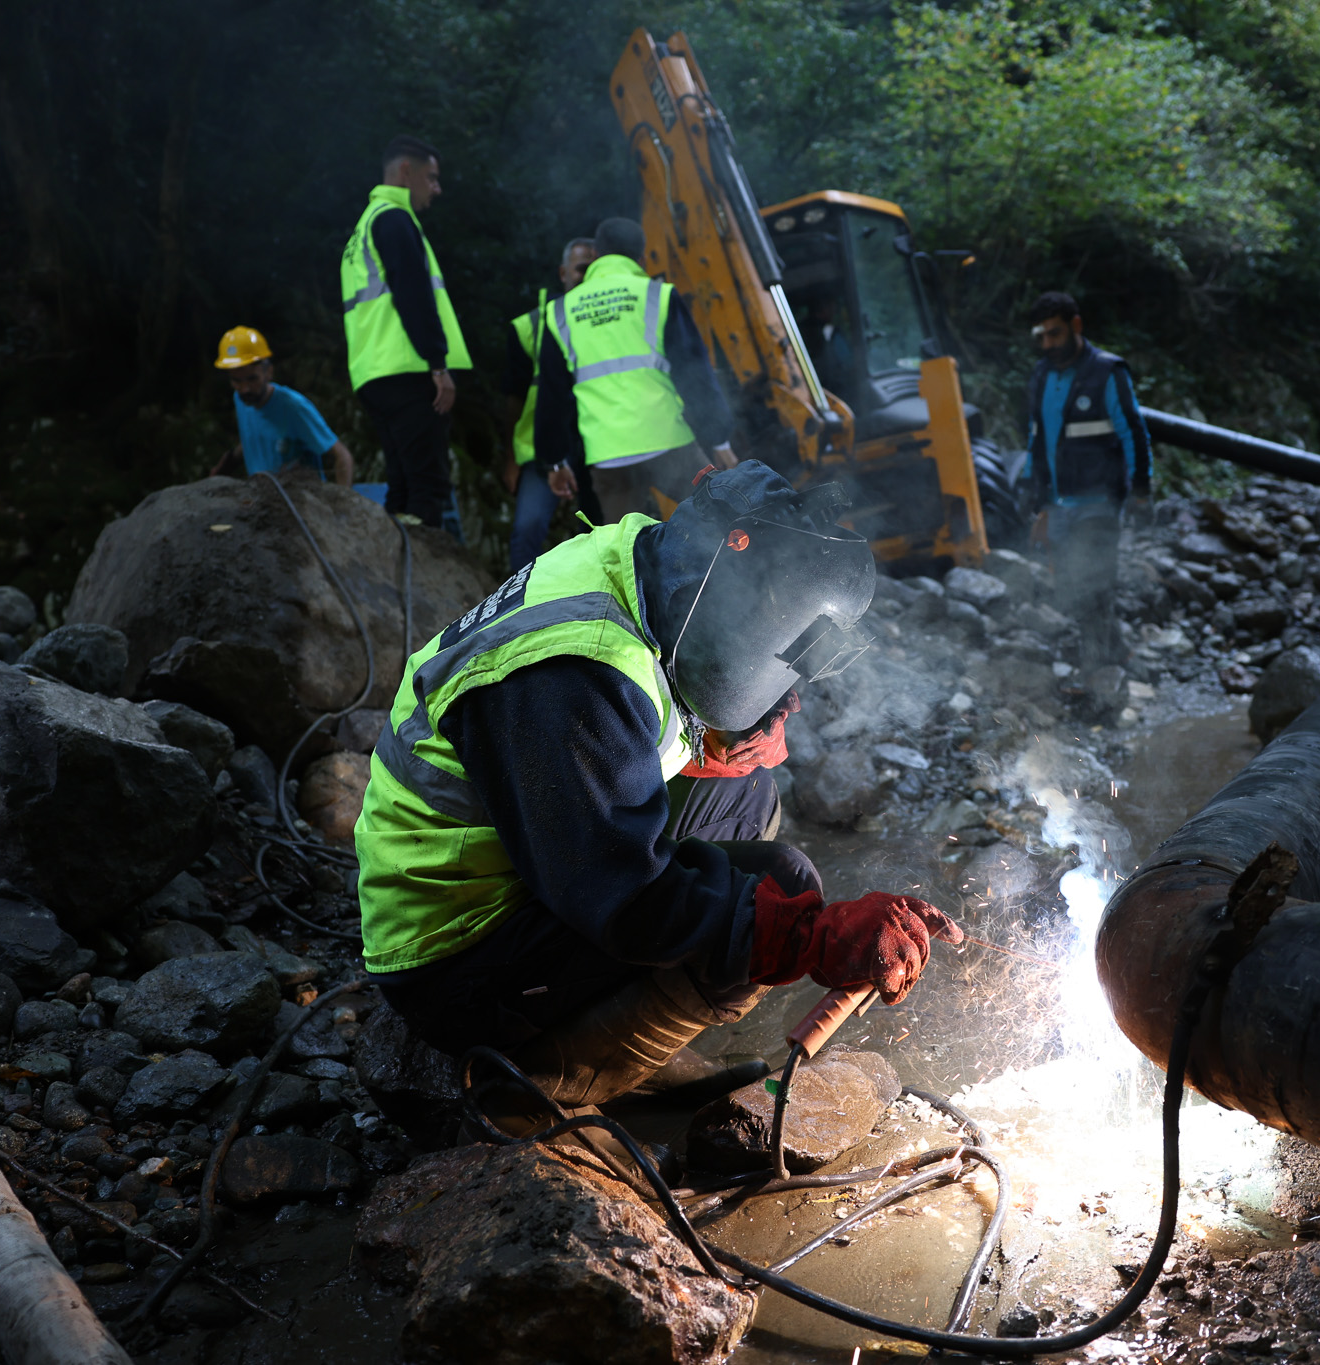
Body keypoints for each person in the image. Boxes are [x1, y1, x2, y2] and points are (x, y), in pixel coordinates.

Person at [355, 462, 961, 1130]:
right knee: (777, 891)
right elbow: (629, 894)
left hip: (526, 852)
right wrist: (810, 937)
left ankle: (624, 1034)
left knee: (747, 796)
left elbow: (640, 714)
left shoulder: (656, 561)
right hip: (452, 949)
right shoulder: (572, 671)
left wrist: (749, 724)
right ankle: (532, 1086)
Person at [532, 217, 737, 524]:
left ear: (597, 257)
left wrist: (555, 460)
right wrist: (719, 440)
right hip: (668, 443)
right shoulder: (658, 295)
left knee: (625, 551)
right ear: (641, 259)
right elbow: (694, 374)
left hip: (608, 456)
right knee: (723, 523)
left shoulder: (559, 312)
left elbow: (551, 396)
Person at [341, 134, 473, 530]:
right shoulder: (394, 220)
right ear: (405, 172)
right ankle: (423, 582)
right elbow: (414, 296)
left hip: (374, 374)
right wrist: (437, 364)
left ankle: (396, 577)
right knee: (426, 487)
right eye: (431, 178)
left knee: (400, 486)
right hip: (408, 371)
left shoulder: (364, 226)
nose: (437, 189)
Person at [1023, 291, 1153, 661]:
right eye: (1042, 336)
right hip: (1058, 505)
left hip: (1099, 502)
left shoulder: (1107, 373)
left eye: (1055, 334)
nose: (1048, 344)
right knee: (1071, 587)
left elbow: (1134, 433)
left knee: (1093, 585)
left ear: (1076, 326)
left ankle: (1097, 679)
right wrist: (1030, 491)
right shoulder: (1041, 375)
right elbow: (1036, 436)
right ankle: (1116, 656)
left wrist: (1141, 492)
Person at [500, 238, 601, 569]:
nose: (588, 276)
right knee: (527, 529)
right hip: (543, 446)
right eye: (581, 268)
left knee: (601, 530)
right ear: (563, 273)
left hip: (599, 444)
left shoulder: (609, 319)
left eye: (595, 268)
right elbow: (515, 396)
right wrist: (511, 457)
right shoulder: (531, 326)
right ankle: (516, 607)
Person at [210, 326, 354, 485]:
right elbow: (256, 437)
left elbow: (343, 457)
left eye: (252, 379)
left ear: (268, 372)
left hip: (303, 500)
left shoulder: (293, 407)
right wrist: (226, 464)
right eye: (236, 381)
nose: (244, 388)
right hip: (262, 496)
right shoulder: (241, 399)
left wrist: (342, 505)